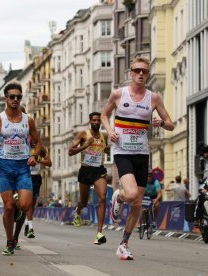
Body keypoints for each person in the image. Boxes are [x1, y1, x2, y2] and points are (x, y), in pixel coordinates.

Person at [101, 57, 174, 260]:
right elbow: (104, 115)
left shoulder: (154, 98)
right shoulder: (118, 94)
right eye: (137, 70)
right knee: (132, 195)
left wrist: (161, 122)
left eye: (145, 71)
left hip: (142, 153)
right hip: (122, 151)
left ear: (148, 75)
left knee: (138, 203)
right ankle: (119, 196)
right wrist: (109, 131)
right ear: (131, 73)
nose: (141, 74)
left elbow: (171, 124)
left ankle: (124, 243)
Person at [0, 82, 43, 256]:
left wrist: (34, 156)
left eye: (18, 97)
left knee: (25, 205)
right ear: (6, 99)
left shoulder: (28, 120)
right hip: (4, 168)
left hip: (23, 167)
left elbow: (39, 143)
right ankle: (10, 241)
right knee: (9, 206)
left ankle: (18, 209)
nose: (15, 100)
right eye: (12, 97)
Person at [68, 112, 110, 245]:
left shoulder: (104, 135)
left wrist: (108, 149)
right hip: (86, 170)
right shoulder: (83, 134)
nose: (97, 122)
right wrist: (86, 145)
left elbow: (106, 150)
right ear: (90, 121)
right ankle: (78, 211)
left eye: (98, 120)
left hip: (99, 170)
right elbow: (70, 151)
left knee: (102, 198)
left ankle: (99, 233)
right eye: (94, 120)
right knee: (84, 202)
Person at [24, 145, 52, 239]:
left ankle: (27, 222)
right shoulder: (24, 146)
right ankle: (31, 227)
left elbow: (49, 163)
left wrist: (39, 161)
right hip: (26, 176)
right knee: (26, 202)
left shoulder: (41, 149)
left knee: (32, 203)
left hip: (36, 177)